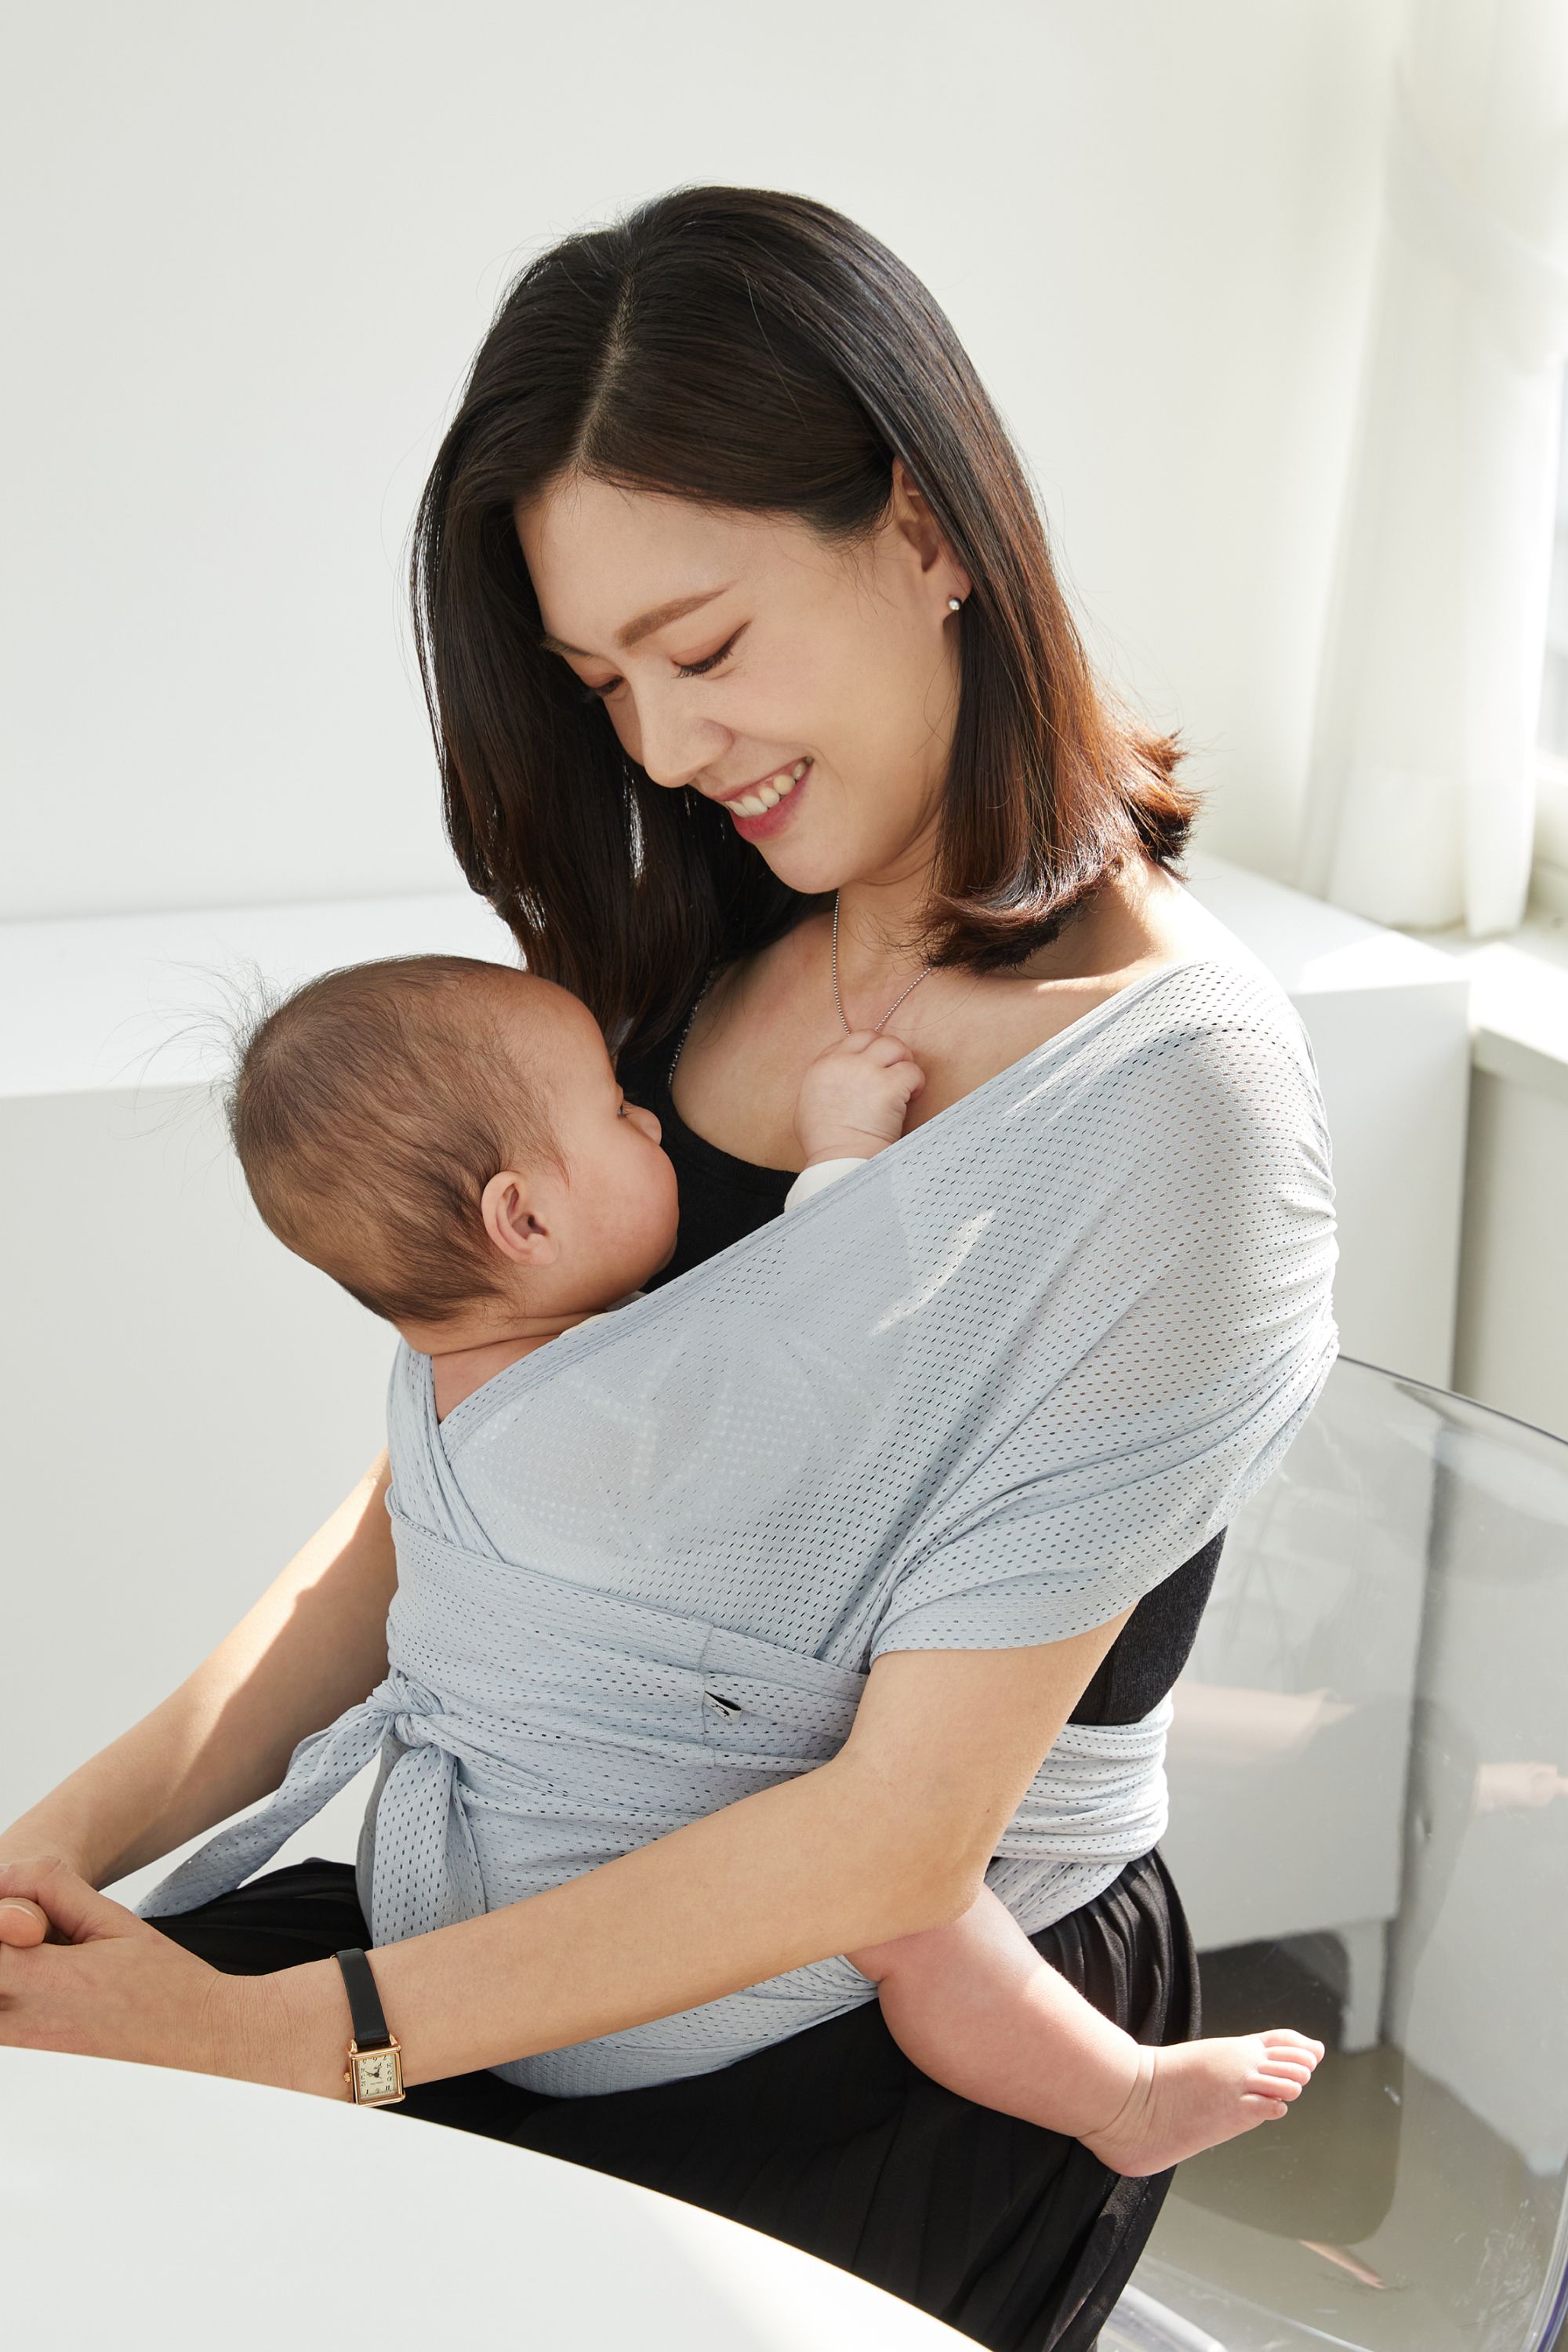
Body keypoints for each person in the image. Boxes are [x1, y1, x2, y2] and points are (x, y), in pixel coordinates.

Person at [0, 186, 1338, 2352]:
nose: (658, 750)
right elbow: (424, 1525)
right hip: (505, 1888)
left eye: (701, 649)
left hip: (864, 2029)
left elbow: (892, 1853)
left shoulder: (1177, 1115)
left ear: (925, 527)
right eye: (601, 679)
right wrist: (62, 1847)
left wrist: (304, 2036)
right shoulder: (686, 944)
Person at [124, 949, 1322, 2174]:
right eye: (616, 1110)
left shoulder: (446, 1391)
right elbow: (853, 1372)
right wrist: (848, 1157)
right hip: (608, 2002)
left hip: (432, 1908)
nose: (648, 1114)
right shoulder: (622, 1420)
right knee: (910, 1913)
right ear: (522, 1218)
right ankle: (1118, 2100)